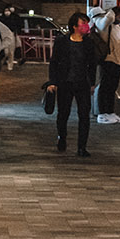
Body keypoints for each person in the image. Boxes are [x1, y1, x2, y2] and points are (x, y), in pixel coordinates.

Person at [46, 10, 98, 157]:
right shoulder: (62, 41)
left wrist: (92, 83)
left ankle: (82, 147)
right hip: (65, 83)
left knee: (84, 115)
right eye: (83, 23)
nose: (86, 26)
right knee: (63, 113)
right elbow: (54, 62)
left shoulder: (88, 43)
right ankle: (62, 137)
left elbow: (92, 64)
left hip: (82, 83)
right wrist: (52, 81)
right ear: (74, 26)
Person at [90, 4, 120, 123]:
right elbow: (108, 18)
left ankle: (110, 112)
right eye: (119, 16)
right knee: (105, 87)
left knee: (112, 87)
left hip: (116, 60)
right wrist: (111, 11)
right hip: (108, 60)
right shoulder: (102, 23)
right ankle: (103, 114)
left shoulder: (113, 26)